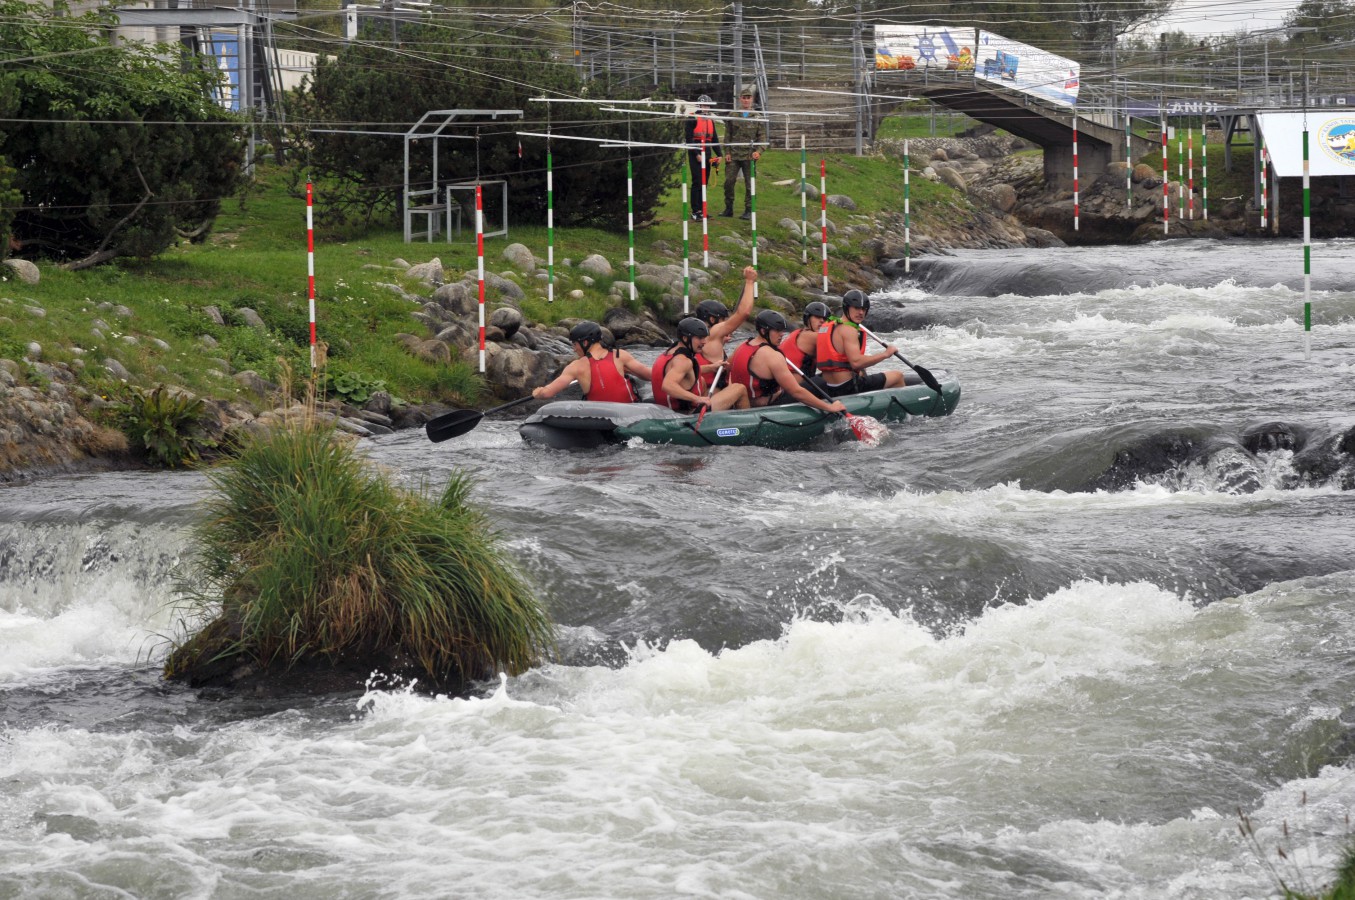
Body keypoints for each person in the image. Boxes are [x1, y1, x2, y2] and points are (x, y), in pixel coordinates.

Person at [727, 310, 847, 414]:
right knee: (821, 382)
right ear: (763, 331)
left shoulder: (742, 346)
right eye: (777, 330)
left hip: (746, 403)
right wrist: (829, 407)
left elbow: (726, 369)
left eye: (782, 330)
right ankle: (837, 404)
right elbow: (796, 392)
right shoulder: (773, 356)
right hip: (768, 406)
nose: (782, 334)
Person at [813, 290, 910, 396]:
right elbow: (856, 363)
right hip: (847, 387)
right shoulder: (849, 330)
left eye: (864, 309)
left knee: (863, 373)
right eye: (856, 308)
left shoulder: (827, 327)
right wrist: (885, 354)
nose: (861, 312)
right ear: (846, 307)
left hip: (828, 386)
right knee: (897, 376)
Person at [533, 321, 651, 403]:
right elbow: (649, 375)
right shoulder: (620, 356)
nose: (574, 349)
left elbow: (546, 393)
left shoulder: (576, 366)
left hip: (599, 420)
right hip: (629, 416)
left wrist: (538, 392)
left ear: (585, 343)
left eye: (575, 344)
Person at [651, 317, 748, 413]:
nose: (704, 342)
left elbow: (685, 371)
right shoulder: (683, 361)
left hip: (670, 412)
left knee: (701, 381)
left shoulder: (669, 354)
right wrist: (697, 399)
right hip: (689, 415)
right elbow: (667, 386)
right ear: (685, 338)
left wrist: (711, 367)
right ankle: (748, 422)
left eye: (704, 337)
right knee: (739, 388)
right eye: (700, 338)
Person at [691, 265, 758, 392]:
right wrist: (750, 282)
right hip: (713, 396)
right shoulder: (712, 333)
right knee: (740, 389)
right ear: (712, 320)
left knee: (741, 348)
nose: (725, 324)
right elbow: (743, 313)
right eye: (722, 319)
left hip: (704, 391)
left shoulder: (694, 335)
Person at [721, 87, 767, 220]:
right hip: (734, 154)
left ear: (752, 99)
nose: (746, 100)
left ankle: (748, 210)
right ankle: (728, 208)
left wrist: (759, 152)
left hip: (749, 156)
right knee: (729, 182)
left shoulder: (757, 117)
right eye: (744, 98)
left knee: (750, 184)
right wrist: (727, 152)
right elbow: (727, 135)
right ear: (740, 99)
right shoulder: (733, 115)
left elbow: (762, 138)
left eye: (748, 98)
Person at [683, 95, 722, 222]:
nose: (706, 108)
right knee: (697, 181)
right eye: (704, 105)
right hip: (696, 153)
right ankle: (695, 211)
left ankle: (702, 208)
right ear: (699, 105)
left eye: (708, 106)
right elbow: (689, 139)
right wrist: (696, 154)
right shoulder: (692, 118)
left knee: (704, 182)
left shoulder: (710, 120)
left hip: (707, 153)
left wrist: (719, 154)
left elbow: (714, 139)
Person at [779, 300, 829, 380]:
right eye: (817, 317)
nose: (822, 321)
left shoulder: (799, 332)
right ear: (807, 319)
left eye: (825, 319)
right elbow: (837, 338)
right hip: (792, 385)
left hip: (791, 382)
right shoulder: (810, 336)